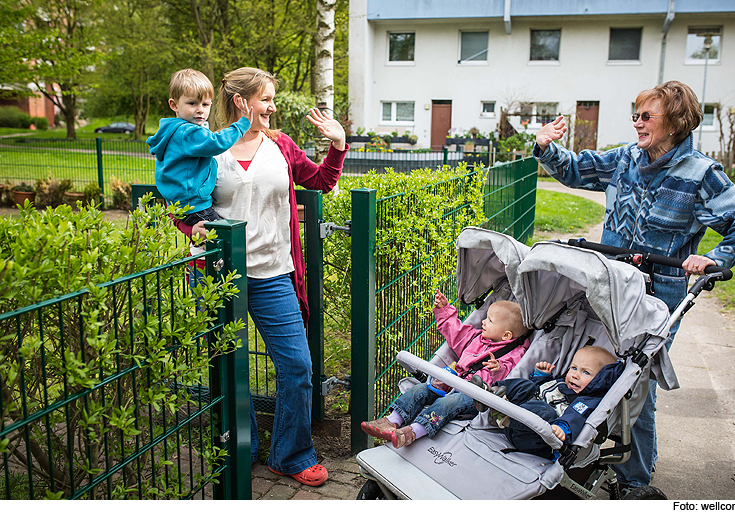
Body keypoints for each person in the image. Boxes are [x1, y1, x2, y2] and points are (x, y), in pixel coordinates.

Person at [533, 80, 735, 490]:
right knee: (591, 365)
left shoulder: (702, 174)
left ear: (675, 122)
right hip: (607, 286)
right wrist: (547, 147)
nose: (637, 123)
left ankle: (634, 479)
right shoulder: (625, 159)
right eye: (635, 115)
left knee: (633, 384)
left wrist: (716, 259)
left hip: (656, 297)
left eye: (646, 116)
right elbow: (578, 169)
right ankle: (581, 446)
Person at [172, 67, 348, 487]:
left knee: (297, 366)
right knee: (228, 367)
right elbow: (181, 202)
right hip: (217, 277)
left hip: (273, 274)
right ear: (242, 102)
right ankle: (242, 446)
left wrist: (338, 144)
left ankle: (289, 454)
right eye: (266, 99)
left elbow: (322, 181)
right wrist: (189, 227)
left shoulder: (281, 146)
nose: (272, 107)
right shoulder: (207, 148)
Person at [360, 289, 530, 448]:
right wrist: (444, 310)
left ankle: (414, 431)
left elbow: (512, 375)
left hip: (474, 396)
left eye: (490, 321)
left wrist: (498, 369)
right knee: (421, 389)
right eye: (485, 318)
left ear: (506, 335)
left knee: (448, 402)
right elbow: (455, 332)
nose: (483, 322)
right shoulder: (475, 337)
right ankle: (392, 421)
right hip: (452, 381)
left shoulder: (514, 353)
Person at [147, 68, 253, 226]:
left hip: (181, 204)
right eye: (192, 103)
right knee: (226, 236)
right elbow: (216, 143)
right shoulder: (187, 132)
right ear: (174, 105)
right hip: (195, 205)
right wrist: (241, 125)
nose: (200, 110)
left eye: (205, 104)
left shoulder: (172, 130)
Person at [478, 346, 622, 459]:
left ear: (600, 381)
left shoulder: (585, 402)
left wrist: (562, 428)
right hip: (518, 422)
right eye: (574, 368)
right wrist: (541, 377)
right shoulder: (562, 383)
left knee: (545, 411)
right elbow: (537, 392)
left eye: (586, 372)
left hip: (534, 440)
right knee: (526, 386)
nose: (575, 375)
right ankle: (492, 394)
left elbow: (575, 417)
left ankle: (503, 414)